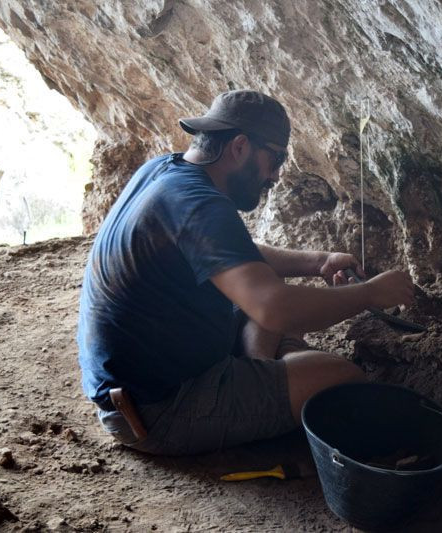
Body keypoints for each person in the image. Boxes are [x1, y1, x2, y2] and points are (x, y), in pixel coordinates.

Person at [76, 90, 414, 455]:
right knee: (343, 378)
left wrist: (318, 262)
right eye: (276, 158)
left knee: (267, 283)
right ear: (240, 147)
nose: (276, 175)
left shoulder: (167, 171)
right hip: (160, 408)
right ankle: (280, 367)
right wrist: (371, 293)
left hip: (141, 379)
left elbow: (233, 252)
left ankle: (265, 368)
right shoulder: (200, 204)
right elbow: (275, 308)